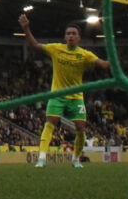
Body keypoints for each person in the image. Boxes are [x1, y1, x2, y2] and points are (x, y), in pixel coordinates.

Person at [18, 14, 110, 168]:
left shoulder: (85, 54)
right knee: (50, 124)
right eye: (68, 34)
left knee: (81, 128)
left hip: (76, 97)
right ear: (65, 37)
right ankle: (41, 159)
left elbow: (104, 65)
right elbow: (34, 46)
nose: (71, 36)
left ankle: (75, 160)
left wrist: (113, 58)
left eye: (74, 34)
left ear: (79, 38)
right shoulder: (56, 49)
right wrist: (26, 29)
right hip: (57, 95)